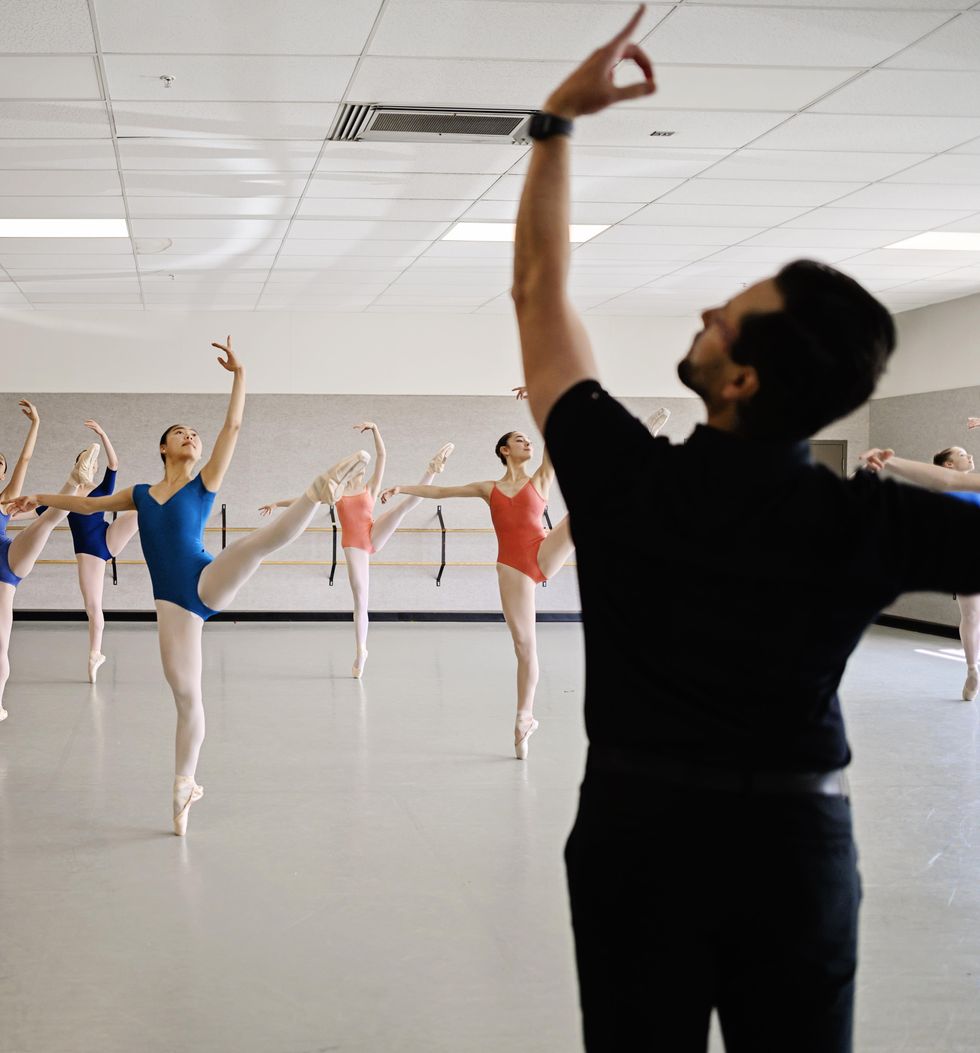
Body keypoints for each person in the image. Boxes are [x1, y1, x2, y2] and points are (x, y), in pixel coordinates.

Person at [509, 8, 980, 1050]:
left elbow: (538, 293)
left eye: (717, 318)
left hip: (635, 837)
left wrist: (555, 125)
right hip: (792, 846)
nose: (701, 317)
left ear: (741, 376)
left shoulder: (621, 475)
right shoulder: (869, 522)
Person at [9, 339, 368, 834]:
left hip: (205, 576)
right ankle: (183, 786)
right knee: (187, 699)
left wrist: (240, 375)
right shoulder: (139, 493)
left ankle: (315, 493)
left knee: (255, 545)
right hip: (173, 606)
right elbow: (89, 506)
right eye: (181, 433)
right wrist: (38, 497)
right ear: (163, 447)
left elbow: (232, 426)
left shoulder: (205, 483)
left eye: (194, 434)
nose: (191, 437)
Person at [381, 421, 573, 759]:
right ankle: (523, 719)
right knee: (524, 646)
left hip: (541, 551)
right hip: (512, 566)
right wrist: (401, 488)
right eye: (520, 440)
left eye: (529, 439)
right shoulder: (489, 488)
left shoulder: (540, 478)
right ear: (504, 450)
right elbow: (442, 493)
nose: (527, 443)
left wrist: (541, 399)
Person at [259, 422, 453, 678]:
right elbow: (303, 500)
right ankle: (361, 651)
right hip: (353, 546)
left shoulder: (370, 487)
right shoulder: (338, 494)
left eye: (362, 467)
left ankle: (432, 468)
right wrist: (277, 503)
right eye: (356, 468)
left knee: (404, 506)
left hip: (372, 532)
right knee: (361, 600)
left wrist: (375, 429)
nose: (359, 471)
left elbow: (383, 456)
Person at [859, 438, 980, 701]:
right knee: (971, 615)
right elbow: (944, 480)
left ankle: (972, 668)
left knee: (972, 616)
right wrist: (889, 460)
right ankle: (972, 668)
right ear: (948, 463)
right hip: (965, 556)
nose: (969, 456)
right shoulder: (951, 487)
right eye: (962, 453)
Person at [1, 400, 99, 721]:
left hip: (5, 563)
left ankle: (75, 479)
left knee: (44, 522)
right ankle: (75, 483)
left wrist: (36, 424)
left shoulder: (5, 498)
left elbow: (25, 459)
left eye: (0, 464)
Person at [31, 421, 140, 683]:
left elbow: (114, 464)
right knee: (93, 607)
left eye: (92, 463)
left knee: (141, 505)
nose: (90, 466)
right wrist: (7, 513)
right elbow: (35, 512)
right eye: (85, 462)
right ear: (77, 467)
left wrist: (103, 434)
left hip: (107, 537)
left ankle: (169, 522)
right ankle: (95, 654)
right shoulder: (64, 500)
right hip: (89, 553)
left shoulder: (102, 490)